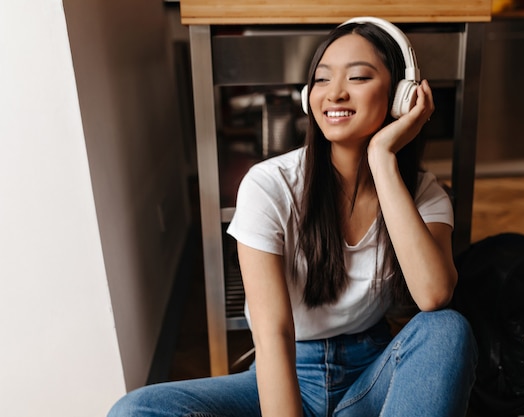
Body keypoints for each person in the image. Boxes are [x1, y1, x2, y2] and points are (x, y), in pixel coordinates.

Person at [108, 16, 477, 417]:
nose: (334, 94)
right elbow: (273, 336)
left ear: (400, 97)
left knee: (447, 329)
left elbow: (433, 294)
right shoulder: (270, 185)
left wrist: (382, 160)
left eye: (358, 78)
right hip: (286, 372)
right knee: (136, 411)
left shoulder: (424, 194)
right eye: (321, 79)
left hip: (370, 374)